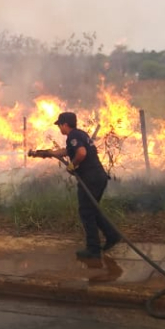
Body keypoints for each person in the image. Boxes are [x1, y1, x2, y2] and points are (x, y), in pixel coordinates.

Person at [49, 111, 121, 259]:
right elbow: (70, 151)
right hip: (99, 177)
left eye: (59, 125)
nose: (59, 129)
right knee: (93, 210)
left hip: (90, 179)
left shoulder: (73, 136)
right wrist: (50, 153)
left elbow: (81, 153)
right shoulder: (80, 134)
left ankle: (93, 249)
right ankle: (112, 236)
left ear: (65, 124)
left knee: (86, 212)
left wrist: (72, 165)